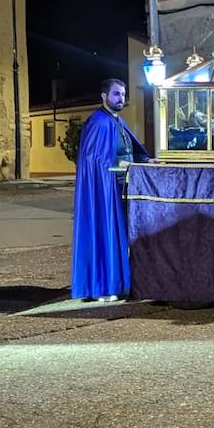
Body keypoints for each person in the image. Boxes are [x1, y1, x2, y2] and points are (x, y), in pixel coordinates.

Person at [72, 77, 148, 302]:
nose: (121, 98)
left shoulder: (117, 121)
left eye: (123, 94)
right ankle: (103, 285)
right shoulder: (98, 122)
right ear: (104, 96)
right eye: (116, 94)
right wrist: (118, 165)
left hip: (123, 187)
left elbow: (132, 149)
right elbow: (93, 161)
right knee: (105, 234)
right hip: (105, 192)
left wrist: (145, 160)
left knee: (121, 237)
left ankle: (117, 281)